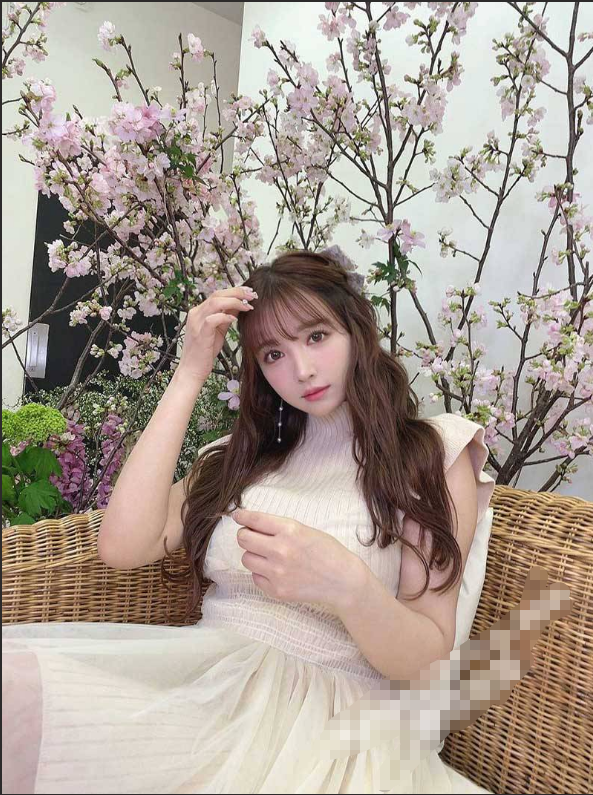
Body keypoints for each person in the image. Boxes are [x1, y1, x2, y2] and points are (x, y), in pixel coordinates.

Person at [2, 250, 571, 794]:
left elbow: (426, 660)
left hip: (328, 725)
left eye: (317, 337)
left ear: (356, 331)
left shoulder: (430, 454)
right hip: (208, 685)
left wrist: (348, 587)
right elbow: (123, 546)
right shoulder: (238, 459)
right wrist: (189, 372)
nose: (301, 370)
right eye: (272, 354)